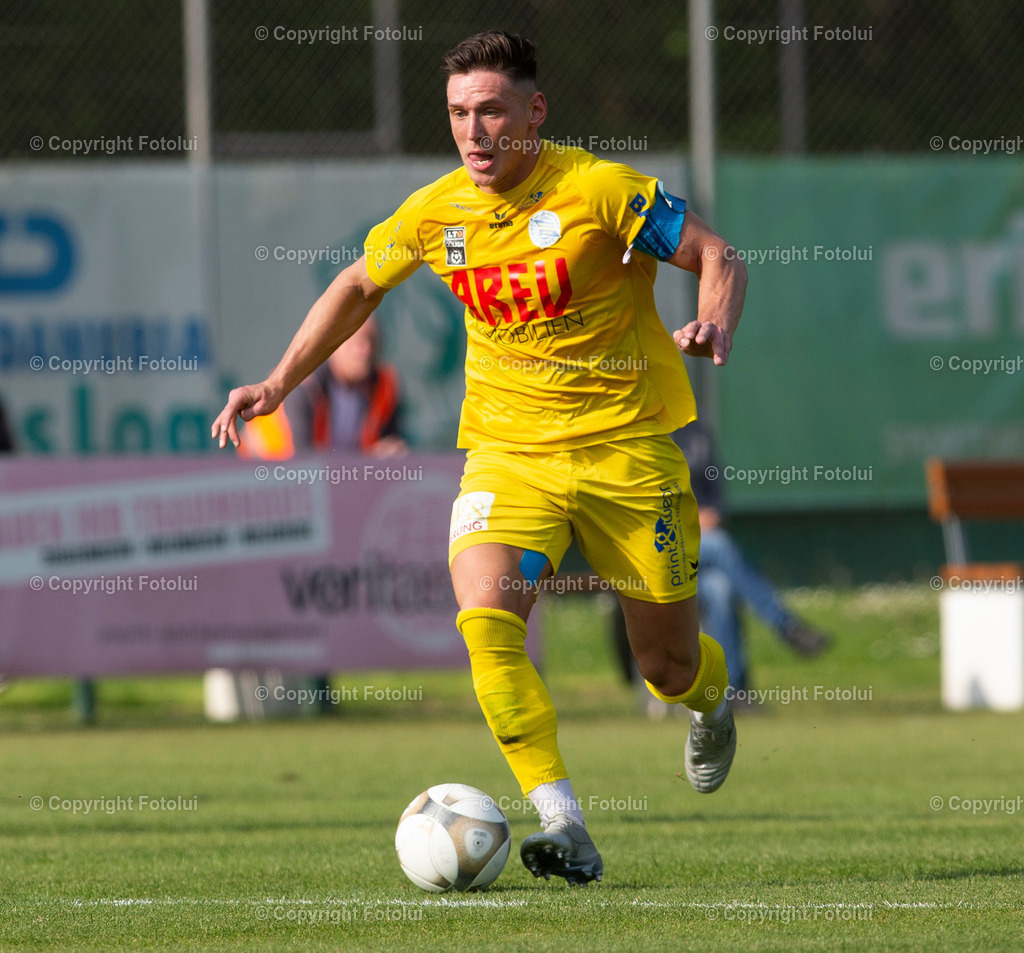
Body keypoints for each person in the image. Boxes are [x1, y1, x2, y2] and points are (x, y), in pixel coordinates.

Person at [212, 30, 748, 886]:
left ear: (535, 111)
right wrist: (278, 382)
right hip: (508, 455)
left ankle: (712, 704)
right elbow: (358, 285)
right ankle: (564, 822)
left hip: (627, 451)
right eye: (460, 112)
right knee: (487, 621)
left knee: (667, 665)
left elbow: (717, 253)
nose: (475, 130)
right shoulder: (437, 212)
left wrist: (713, 318)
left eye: (492, 110)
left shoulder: (599, 190)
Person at [613, 418, 829, 716]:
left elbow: (716, 493)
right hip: (657, 551)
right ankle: (787, 626)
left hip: (697, 554)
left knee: (720, 589)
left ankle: (732, 691)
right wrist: (689, 520)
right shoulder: (634, 427)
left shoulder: (695, 429)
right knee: (721, 546)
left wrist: (711, 514)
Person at [237, 314, 406, 459]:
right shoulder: (303, 384)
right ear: (334, 342)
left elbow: (388, 444)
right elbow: (304, 460)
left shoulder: (384, 384)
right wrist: (367, 461)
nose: (365, 350)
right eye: (356, 341)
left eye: (372, 340)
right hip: (266, 471)